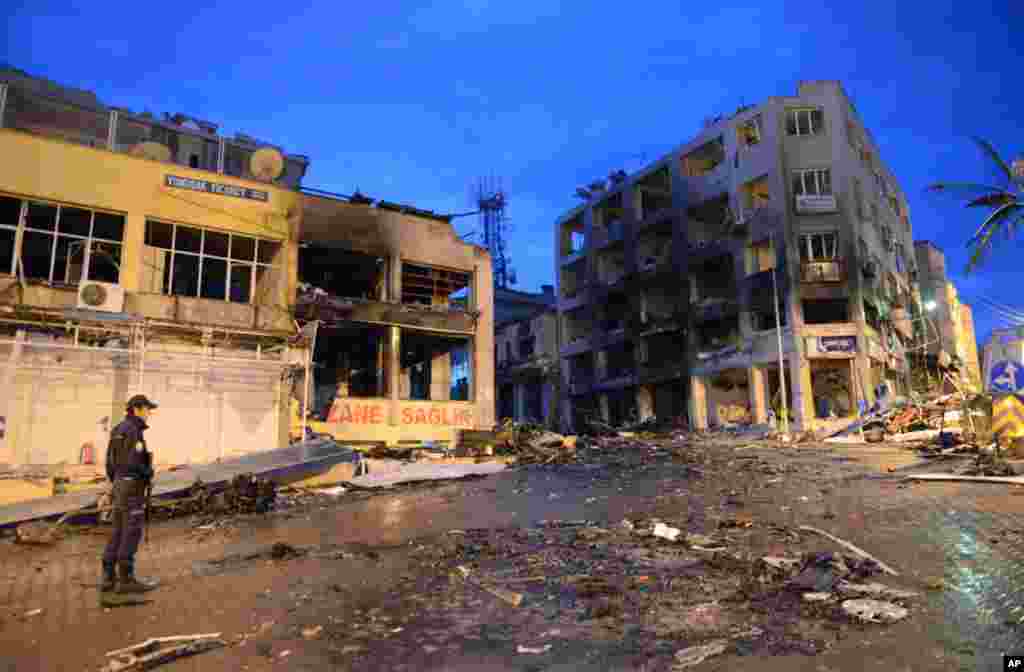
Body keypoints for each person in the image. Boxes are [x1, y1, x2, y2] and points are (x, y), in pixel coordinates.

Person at [101, 394, 159, 594]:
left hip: (119, 485)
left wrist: (116, 480)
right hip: (132, 487)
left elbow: (109, 461)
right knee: (131, 530)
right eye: (147, 409)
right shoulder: (134, 430)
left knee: (118, 530)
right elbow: (134, 462)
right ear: (137, 409)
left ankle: (108, 577)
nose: (149, 413)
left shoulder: (118, 429)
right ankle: (126, 580)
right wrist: (148, 472)